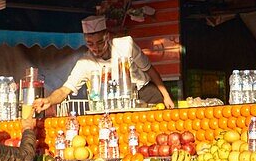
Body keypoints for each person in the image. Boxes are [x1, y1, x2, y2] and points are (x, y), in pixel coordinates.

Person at [32, 15, 174, 113]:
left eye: (100, 42)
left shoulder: (125, 44)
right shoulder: (85, 63)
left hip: (146, 94)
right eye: (90, 44)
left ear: (107, 36)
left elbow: (149, 70)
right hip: (118, 104)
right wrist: (49, 100)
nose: (96, 48)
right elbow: (64, 90)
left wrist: (166, 96)